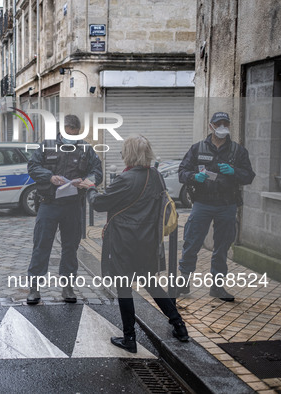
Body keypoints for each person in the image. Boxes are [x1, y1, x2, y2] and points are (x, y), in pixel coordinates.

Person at [80, 136, 189, 353]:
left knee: (124, 287)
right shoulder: (156, 175)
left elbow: (100, 204)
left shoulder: (126, 179)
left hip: (124, 241)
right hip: (148, 240)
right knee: (151, 283)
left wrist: (90, 188)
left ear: (128, 154)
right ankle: (179, 325)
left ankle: (129, 338)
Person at [177, 112, 255, 302]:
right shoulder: (198, 149)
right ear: (211, 126)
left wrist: (235, 171)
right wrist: (194, 176)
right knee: (191, 243)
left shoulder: (237, 151)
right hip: (202, 203)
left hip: (227, 205)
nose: (222, 126)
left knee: (222, 247)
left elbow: (249, 176)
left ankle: (217, 288)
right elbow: (182, 172)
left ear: (229, 125)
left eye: (225, 123)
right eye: (218, 123)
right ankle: (183, 283)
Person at [26, 114, 103, 305]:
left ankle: (67, 287)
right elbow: (32, 166)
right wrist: (49, 177)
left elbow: (97, 172)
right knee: (42, 245)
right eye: (69, 134)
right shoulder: (47, 145)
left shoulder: (85, 149)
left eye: (75, 135)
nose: (72, 138)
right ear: (62, 130)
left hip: (73, 206)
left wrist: (86, 181)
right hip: (48, 203)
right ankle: (34, 288)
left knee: (70, 247)